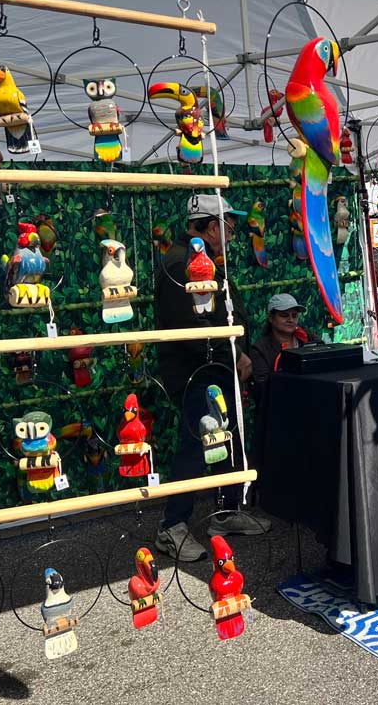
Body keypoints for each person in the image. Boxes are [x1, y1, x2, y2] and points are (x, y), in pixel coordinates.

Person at [153, 193, 269, 562]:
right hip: (198, 372)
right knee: (195, 445)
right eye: (227, 224)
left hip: (216, 368)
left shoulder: (198, 258)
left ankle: (226, 511)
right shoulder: (180, 263)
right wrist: (233, 354)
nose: (232, 232)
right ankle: (172, 526)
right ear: (210, 226)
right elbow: (191, 327)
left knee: (223, 437)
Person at [250, 293, 316, 399]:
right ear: (271, 318)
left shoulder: (308, 337)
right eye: (284, 315)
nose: (290, 320)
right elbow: (263, 388)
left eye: (294, 316)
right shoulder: (260, 349)